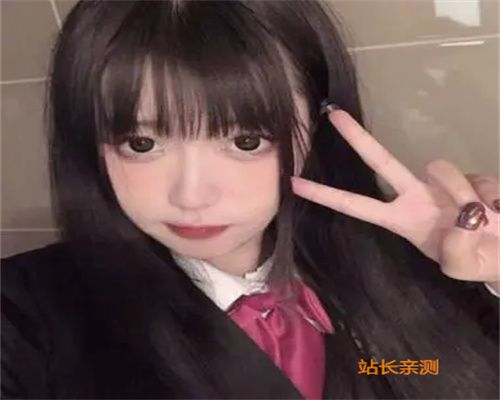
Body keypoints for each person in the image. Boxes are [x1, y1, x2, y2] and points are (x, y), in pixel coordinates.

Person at [2, 1, 498, 398]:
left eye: (246, 141)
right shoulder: (24, 313)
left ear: (316, 129)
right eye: (141, 143)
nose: (191, 195)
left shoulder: (416, 263)